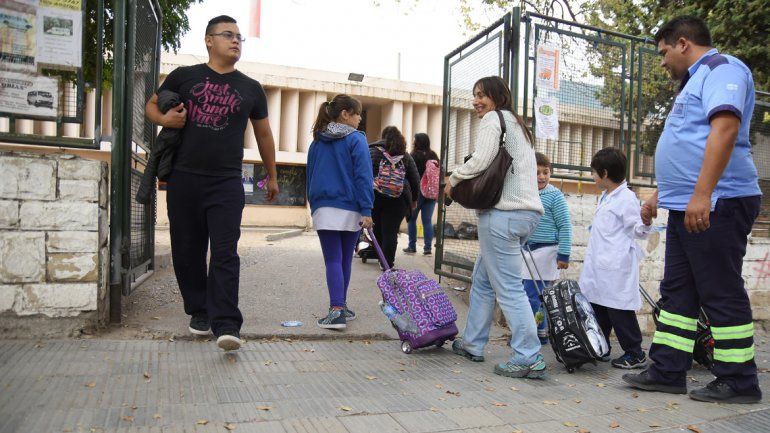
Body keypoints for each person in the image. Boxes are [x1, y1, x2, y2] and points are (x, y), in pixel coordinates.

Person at [622, 16, 763, 404]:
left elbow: (725, 129)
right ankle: (667, 370)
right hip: (690, 203)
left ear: (683, 43)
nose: (663, 62)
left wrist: (702, 195)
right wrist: (658, 196)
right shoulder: (692, 83)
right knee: (677, 291)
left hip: (720, 201)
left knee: (720, 290)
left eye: (664, 52)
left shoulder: (723, 69)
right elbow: (688, 145)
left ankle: (739, 381)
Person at [144, 15, 279, 351]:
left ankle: (227, 322)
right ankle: (199, 310)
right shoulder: (185, 76)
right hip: (184, 179)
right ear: (208, 40)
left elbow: (263, 133)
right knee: (187, 250)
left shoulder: (250, 88)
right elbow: (151, 104)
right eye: (228, 35)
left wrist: (272, 174)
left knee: (224, 252)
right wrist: (164, 118)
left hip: (226, 182)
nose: (235, 41)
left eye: (239, 37)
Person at [445, 76, 546, 379]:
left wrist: (452, 180)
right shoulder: (516, 123)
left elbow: (481, 160)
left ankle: (528, 355)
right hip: (524, 214)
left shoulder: (493, 119)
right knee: (484, 281)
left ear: (497, 97)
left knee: (510, 289)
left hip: (503, 214)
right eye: (474, 95)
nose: (476, 101)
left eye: (482, 95)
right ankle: (473, 344)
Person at [306, 94, 374, 330]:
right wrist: (367, 209)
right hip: (351, 208)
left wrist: (314, 205)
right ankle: (339, 308)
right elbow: (364, 176)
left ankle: (338, 309)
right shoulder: (357, 139)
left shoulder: (317, 141)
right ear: (345, 114)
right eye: (357, 115)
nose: (359, 120)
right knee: (344, 258)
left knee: (333, 259)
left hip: (324, 207)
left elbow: (310, 175)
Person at [579, 148, 651, 369]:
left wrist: (646, 222)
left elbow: (637, 230)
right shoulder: (607, 196)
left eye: (593, 172)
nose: (592, 176)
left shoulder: (626, 198)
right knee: (598, 306)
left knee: (619, 310)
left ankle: (635, 352)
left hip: (616, 265)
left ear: (605, 173)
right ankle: (600, 347)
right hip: (601, 265)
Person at [522, 152, 572, 345]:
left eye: (546, 172)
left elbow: (565, 226)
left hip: (546, 252)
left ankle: (538, 332)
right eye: (536, 173)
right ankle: (535, 330)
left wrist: (564, 254)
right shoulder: (525, 194)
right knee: (528, 294)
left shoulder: (555, 196)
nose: (542, 177)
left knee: (537, 295)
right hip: (527, 252)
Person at [370, 126, 420, 269]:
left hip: (375, 197)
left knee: (377, 229)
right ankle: (387, 264)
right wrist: (414, 199)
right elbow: (415, 179)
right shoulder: (405, 155)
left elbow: (363, 175)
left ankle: (381, 258)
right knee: (390, 231)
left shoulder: (372, 152)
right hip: (398, 199)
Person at [403, 133, 440, 255]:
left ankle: (412, 246)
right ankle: (428, 248)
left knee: (412, 219)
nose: (413, 142)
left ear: (417, 142)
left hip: (417, 193)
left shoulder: (413, 155)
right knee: (427, 221)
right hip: (431, 192)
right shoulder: (433, 155)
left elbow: (409, 174)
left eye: (414, 140)